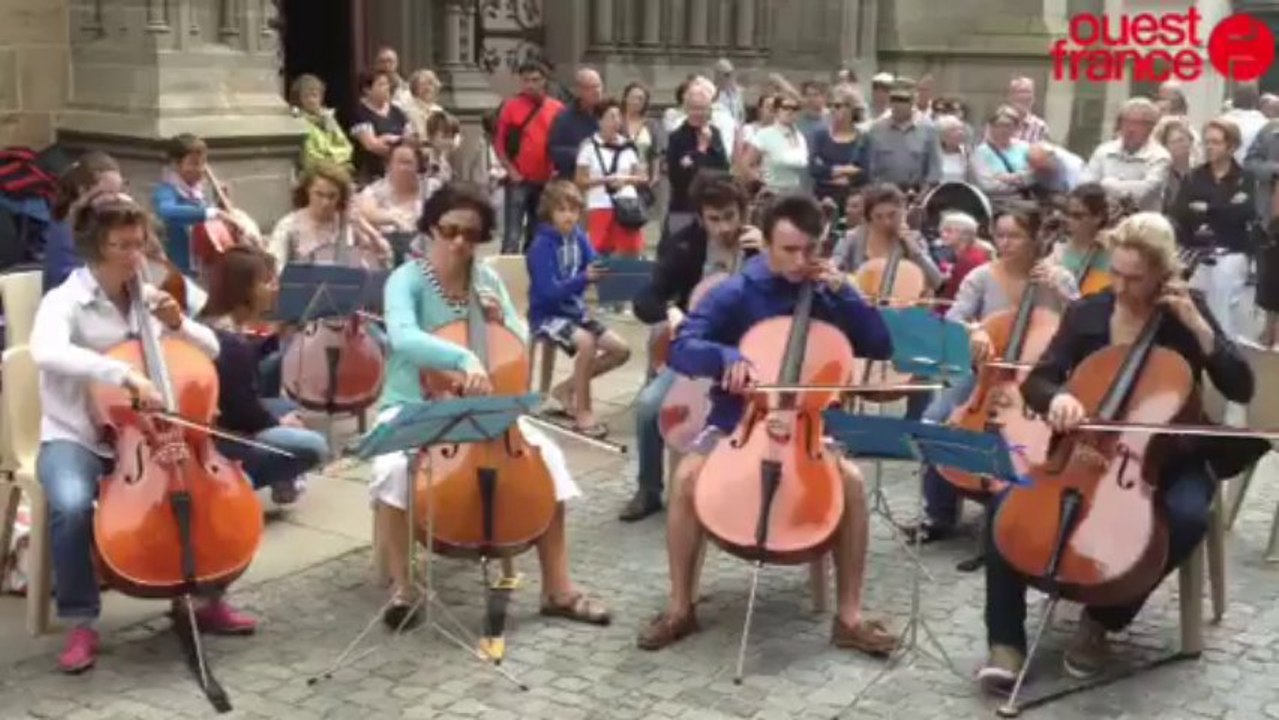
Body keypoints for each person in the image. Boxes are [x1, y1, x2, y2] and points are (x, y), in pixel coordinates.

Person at [979, 212, 1254, 687]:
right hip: (1081, 451)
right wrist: (1058, 396)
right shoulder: (1088, 311)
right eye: (1117, 273)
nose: (1123, 287)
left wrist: (1200, 330)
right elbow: (1041, 380)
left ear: (1163, 272)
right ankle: (1004, 641)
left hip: (1167, 457)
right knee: (1005, 507)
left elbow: (1241, 387)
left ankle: (1101, 621)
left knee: (1185, 517)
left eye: (1136, 278)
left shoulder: (1188, 313)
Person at [635, 193, 899, 657]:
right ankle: (680, 607)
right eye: (789, 250)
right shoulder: (736, 291)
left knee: (852, 484)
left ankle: (850, 617)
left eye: (809, 250)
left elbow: (879, 345)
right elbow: (681, 347)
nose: (800, 262)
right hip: (737, 420)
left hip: (807, 427)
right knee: (686, 479)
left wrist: (848, 294)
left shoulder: (828, 292)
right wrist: (726, 357)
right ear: (769, 245)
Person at [30, 191, 255, 674]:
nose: (138, 256)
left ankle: (205, 597)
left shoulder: (148, 298)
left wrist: (181, 326)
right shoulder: (64, 301)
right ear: (96, 249)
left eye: (140, 242)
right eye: (124, 246)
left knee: (208, 493)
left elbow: (213, 350)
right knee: (70, 505)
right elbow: (45, 352)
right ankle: (81, 621)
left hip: (149, 440)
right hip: (78, 435)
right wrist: (121, 374)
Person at [370, 181, 609, 630]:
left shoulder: (487, 279)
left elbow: (522, 340)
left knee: (548, 459)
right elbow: (403, 337)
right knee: (392, 469)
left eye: (470, 235)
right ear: (431, 229)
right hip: (414, 402)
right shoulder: (406, 280)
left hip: (485, 407)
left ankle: (557, 587)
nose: (459, 242)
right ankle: (403, 587)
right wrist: (462, 357)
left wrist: (501, 319)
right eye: (449, 230)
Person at [904, 206, 1078, 543]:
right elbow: (953, 320)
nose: (1005, 243)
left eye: (1015, 236)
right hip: (985, 375)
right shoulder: (982, 276)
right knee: (934, 421)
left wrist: (1063, 293)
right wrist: (974, 331)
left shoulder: (1059, 277)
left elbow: (1083, 324)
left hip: (1036, 379)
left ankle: (1025, 512)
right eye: (1000, 235)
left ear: (1035, 239)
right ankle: (939, 513)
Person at [624, 172, 758, 521]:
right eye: (714, 219)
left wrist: (766, 252)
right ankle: (649, 489)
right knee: (650, 406)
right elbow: (645, 297)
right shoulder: (685, 245)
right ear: (701, 218)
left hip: (753, 353)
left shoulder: (763, 244)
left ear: (743, 212)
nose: (724, 227)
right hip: (698, 350)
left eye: (731, 216)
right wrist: (670, 310)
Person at [198, 246, 331, 506]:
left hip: (230, 418)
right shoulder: (227, 342)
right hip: (224, 436)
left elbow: (241, 376)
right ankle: (238, 484)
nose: (274, 288)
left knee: (290, 405)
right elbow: (244, 414)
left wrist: (277, 337)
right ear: (243, 289)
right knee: (313, 446)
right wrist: (279, 422)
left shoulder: (213, 323)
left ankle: (284, 480)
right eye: (266, 281)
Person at [526, 181, 631, 437]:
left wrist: (616, 270)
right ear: (549, 212)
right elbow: (547, 293)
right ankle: (584, 414)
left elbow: (594, 262)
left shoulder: (579, 238)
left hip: (575, 313)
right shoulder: (541, 246)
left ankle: (566, 389)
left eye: (573, 210)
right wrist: (584, 278)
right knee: (586, 343)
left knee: (621, 350)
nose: (569, 216)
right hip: (546, 315)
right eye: (561, 210)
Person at [1168, 118, 1258, 341]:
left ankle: (1222, 353)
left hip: (1231, 249)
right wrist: (1224, 207)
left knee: (1222, 307)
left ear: (1231, 146)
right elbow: (1181, 212)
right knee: (1191, 305)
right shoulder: (1194, 177)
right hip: (1195, 250)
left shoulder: (1245, 178)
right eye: (1207, 142)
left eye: (1216, 142)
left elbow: (1243, 213)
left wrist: (1206, 208)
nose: (1210, 147)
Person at [44, 152, 125, 292]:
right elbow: (65, 279)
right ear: (83, 191)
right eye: (108, 193)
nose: (115, 200)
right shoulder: (65, 227)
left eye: (118, 193)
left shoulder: (102, 223)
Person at [1051, 182, 1112, 294]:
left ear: (1098, 217)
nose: (1068, 221)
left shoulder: (1114, 248)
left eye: (1077, 216)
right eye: (1067, 214)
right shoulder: (1058, 253)